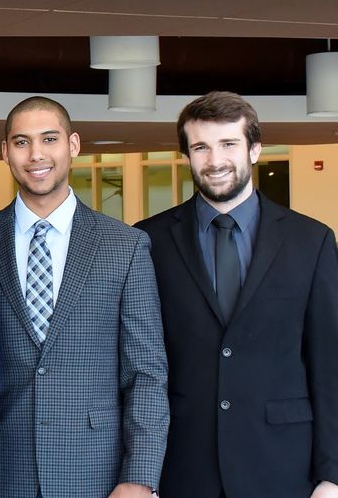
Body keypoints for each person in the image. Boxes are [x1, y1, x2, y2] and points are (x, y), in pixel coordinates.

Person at [135, 91, 338, 498]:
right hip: (181, 466)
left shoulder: (311, 241)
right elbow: (138, 363)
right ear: (186, 156)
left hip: (284, 466)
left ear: (255, 150)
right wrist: (140, 473)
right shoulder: (146, 241)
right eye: (200, 147)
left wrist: (332, 476)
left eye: (228, 144)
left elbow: (329, 363)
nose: (215, 160)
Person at [0, 96, 168, 498]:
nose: (36, 155)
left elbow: (146, 374)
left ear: (73, 145)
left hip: (97, 475)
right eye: (21, 142)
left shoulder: (126, 247)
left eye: (49, 139)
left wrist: (139, 477)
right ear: (5, 152)